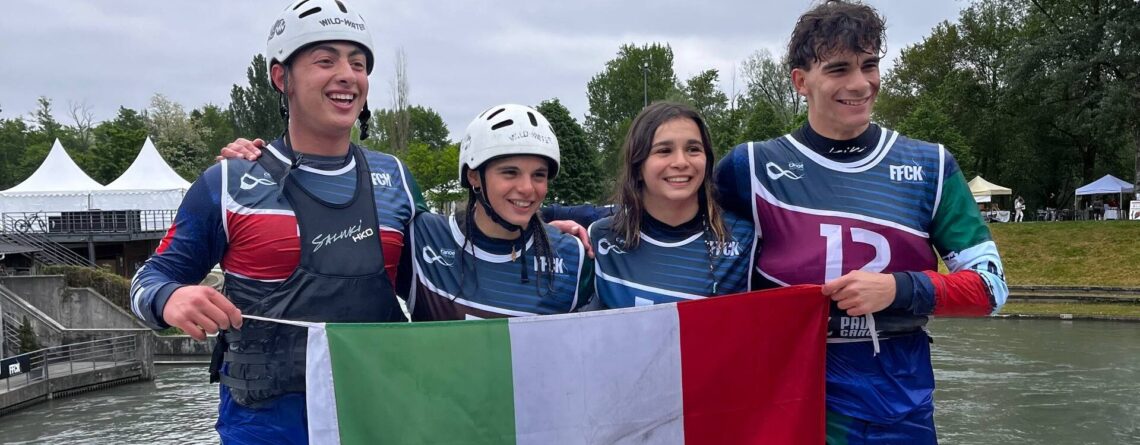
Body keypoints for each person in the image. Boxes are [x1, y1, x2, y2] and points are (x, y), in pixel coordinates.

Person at [130, 1, 425, 443]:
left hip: (377, 417)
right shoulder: (227, 182)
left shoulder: (397, 179)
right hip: (265, 427)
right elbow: (148, 279)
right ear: (281, 77)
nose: (347, 75)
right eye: (325, 60)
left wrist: (529, 221)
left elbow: (443, 281)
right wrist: (170, 297)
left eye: (358, 63)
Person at [713, 1, 1008, 443]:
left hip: (899, 405)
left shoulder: (931, 166)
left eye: (869, 65)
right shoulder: (749, 167)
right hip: (791, 401)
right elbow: (670, 233)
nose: (860, 83)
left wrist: (898, 289)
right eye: (839, 69)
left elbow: (991, 288)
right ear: (801, 82)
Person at [399, 104, 594, 319]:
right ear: (474, 176)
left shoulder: (573, 256)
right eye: (510, 172)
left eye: (539, 175)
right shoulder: (422, 237)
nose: (527, 188)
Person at [588, 102, 755, 307]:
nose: (681, 162)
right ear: (638, 167)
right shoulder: (599, 236)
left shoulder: (745, 237)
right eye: (664, 150)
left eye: (693, 149)